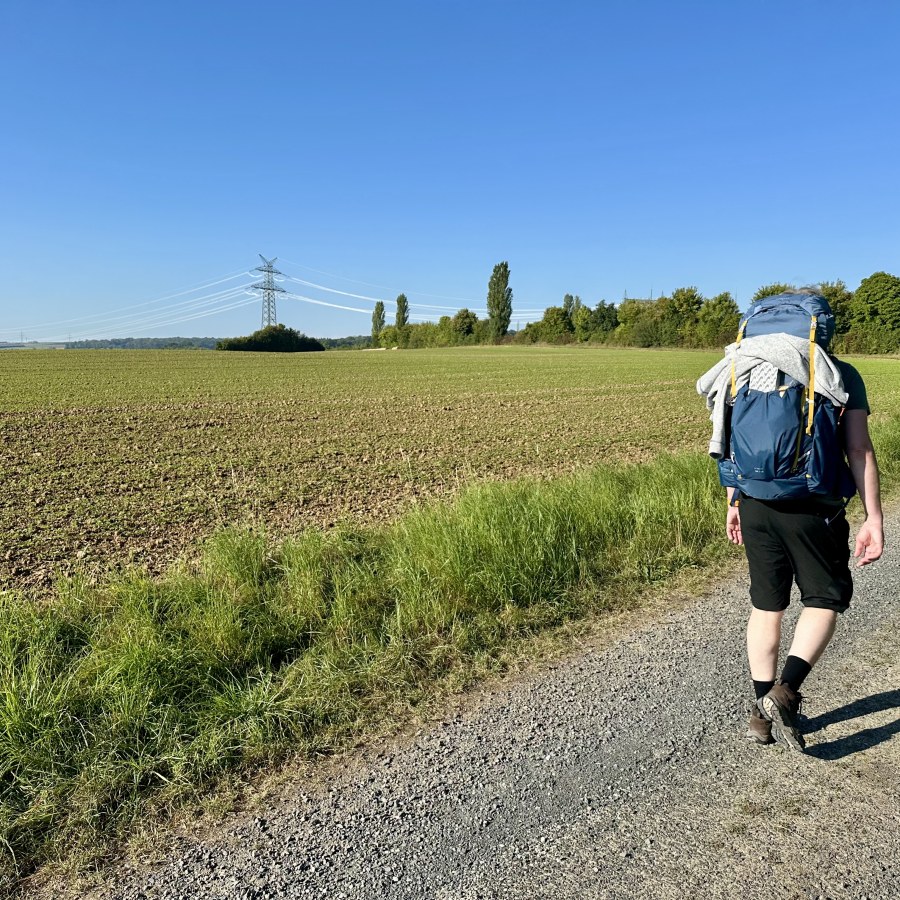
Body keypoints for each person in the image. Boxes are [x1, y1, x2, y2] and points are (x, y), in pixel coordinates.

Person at [726, 340, 884, 752]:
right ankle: (786, 690)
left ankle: (760, 715)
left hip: (755, 501)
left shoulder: (743, 368)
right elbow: (858, 449)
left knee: (766, 607)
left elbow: (728, 440)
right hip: (813, 507)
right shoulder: (838, 372)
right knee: (823, 599)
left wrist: (733, 501)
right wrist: (874, 517)